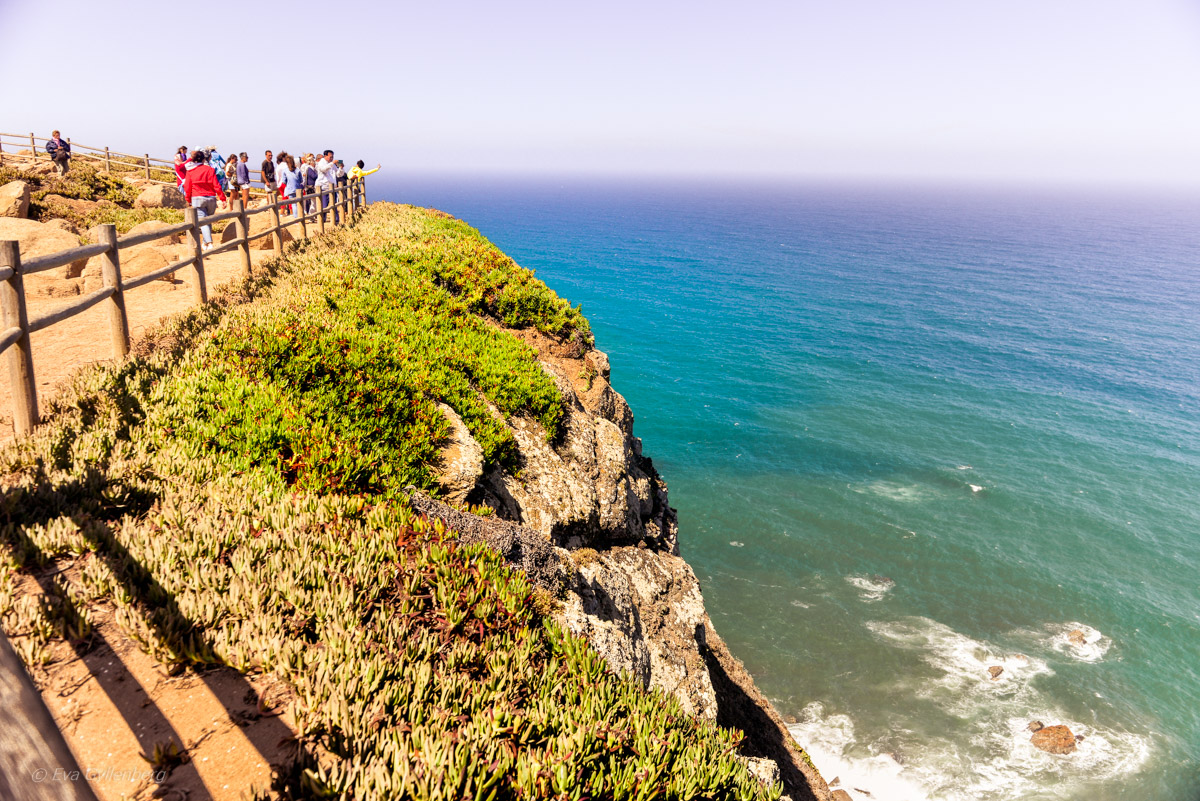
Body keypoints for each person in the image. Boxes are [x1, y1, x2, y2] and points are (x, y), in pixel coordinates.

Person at [182, 150, 226, 250]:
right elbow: (216, 185)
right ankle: (205, 243)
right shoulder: (209, 170)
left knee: (203, 222)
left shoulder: (190, 171)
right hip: (211, 198)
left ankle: (209, 243)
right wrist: (222, 198)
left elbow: (187, 187)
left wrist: (188, 200)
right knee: (207, 221)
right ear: (203, 159)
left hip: (197, 199)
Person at [315, 149, 338, 223]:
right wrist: (331, 164)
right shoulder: (321, 162)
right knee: (324, 205)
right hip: (324, 187)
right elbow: (323, 169)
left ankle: (336, 219)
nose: (331, 158)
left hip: (331, 187)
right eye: (330, 157)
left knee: (334, 204)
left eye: (332, 157)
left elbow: (338, 173)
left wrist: (341, 168)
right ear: (325, 156)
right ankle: (322, 220)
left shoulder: (331, 164)